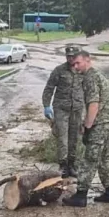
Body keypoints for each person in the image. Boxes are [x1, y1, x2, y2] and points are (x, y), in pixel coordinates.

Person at [62, 51, 109, 207]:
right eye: (73, 64)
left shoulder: (90, 78)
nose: (75, 67)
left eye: (78, 63)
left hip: (102, 124)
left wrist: (87, 127)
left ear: (88, 60)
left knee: (90, 158)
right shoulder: (98, 75)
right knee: (106, 158)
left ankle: (80, 196)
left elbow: (94, 105)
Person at [42, 44, 84, 177]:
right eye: (68, 56)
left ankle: (72, 164)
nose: (70, 59)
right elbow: (49, 88)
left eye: (73, 56)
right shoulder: (59, 70)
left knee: (74, 138)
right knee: (63, 138)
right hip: (61, 109)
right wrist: (46, 105)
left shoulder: (82, 71)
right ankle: (63, 165)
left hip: (76, 109)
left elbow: (89, 89)